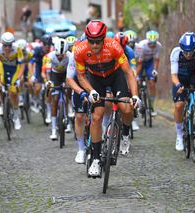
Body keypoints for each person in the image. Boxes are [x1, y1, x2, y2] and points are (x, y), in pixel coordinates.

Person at [74, 20, 139, 176]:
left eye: (98, 42)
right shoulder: (80, 50)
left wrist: (135, 95)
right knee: (97, 116)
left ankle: (125, 133)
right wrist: (90, 91)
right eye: (91, 42)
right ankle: (96, 159)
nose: (95, 45)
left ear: (104, 39)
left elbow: (129, 72)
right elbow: (81, 76)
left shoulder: (114, 46)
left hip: (115, 76)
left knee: (126, 108)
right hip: (96, 80)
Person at [170, 32, 195, 151]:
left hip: (193, 76)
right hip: (180, 79)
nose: (188, 54)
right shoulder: (176, 52)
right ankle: (179, 135)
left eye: (191, 51)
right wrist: (178, 85)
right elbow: (173, 75)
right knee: (179, 105)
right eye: (185, 51)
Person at [43, 38, 73, 140]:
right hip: (54, 75)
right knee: (55, 99)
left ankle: (69, 107)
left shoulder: (70, 56)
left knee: (68, 90)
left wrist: (68, 83)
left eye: (62, 55)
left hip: (66, 74)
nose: (60, 57)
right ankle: (53, 129)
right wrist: (48, 82)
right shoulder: (49, 57)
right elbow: (47, 73)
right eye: (58, 55)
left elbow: (71, 72)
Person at [0, 32, 25, 130]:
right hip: (2, 69)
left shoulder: (17, 49)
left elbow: (22, 65)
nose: (7, 48)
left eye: (9, 45)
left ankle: (16, 117)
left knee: (13, 91)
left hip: (14, 70)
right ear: (2, 44)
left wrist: (19, 77)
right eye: (5, 45)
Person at [66, 39, 88, 163]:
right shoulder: (74, 55)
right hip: (79, 86)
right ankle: (81, 149)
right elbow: (69, 79)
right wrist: (80, 92)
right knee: (79, 117)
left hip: (95, 84)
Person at [114, 32, 139, 133]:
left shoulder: (130, 52)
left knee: (131, 89)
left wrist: (133, 79)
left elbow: (133, 69)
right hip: (115, 72)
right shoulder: (112, 50)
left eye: (122, 47)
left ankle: (131, 116)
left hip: (126, 71)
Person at [136, 30, 162, 116]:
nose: (152, 46)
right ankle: (139, 100)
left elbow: (157, 59)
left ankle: (151, 106)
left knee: (152, 83)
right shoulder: (141, 45)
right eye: (150, 44)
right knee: (137, 81)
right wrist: (136, 75)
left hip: (149, 62)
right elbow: (139, 62)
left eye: (154, 44)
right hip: (140, 62)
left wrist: (155, 70)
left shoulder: (158, 46)